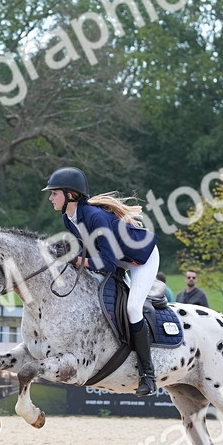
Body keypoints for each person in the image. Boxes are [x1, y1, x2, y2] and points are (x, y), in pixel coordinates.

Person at [43, 166, 159, 395]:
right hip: (116, 257)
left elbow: (107, 264)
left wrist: (76, 259)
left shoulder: (95, 217)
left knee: (133, 308)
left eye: (54, 193)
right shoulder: (69, 218)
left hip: (140, 258)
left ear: (70, 195)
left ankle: (148, 374)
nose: (50, 198)